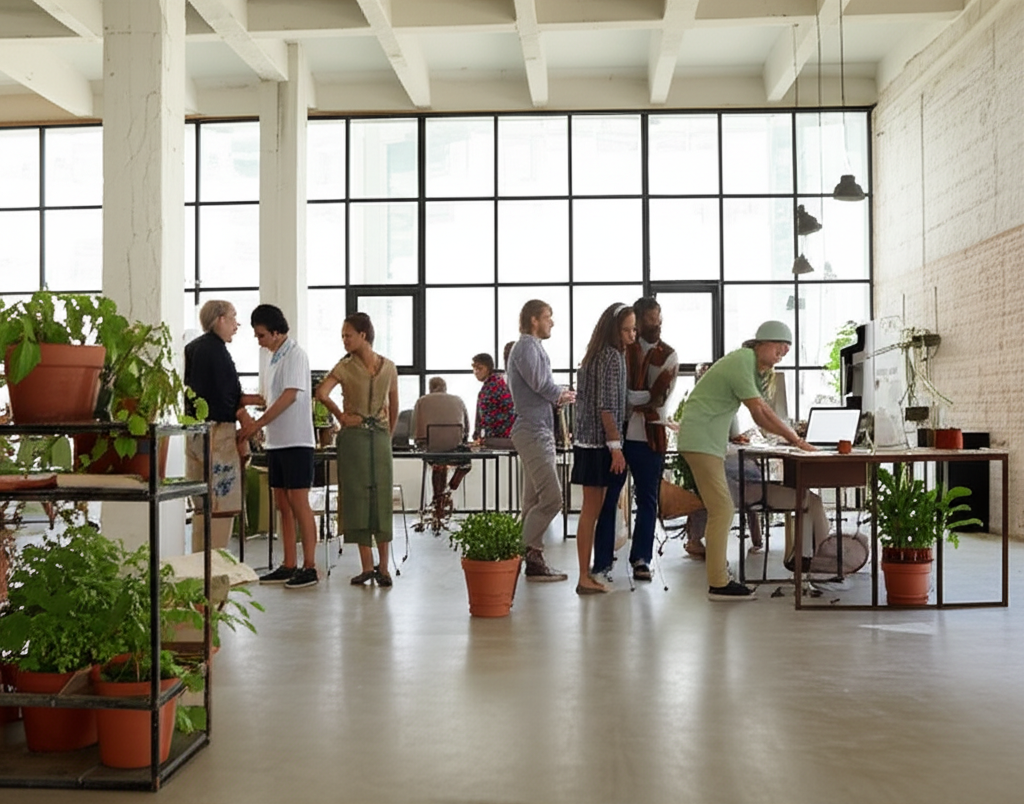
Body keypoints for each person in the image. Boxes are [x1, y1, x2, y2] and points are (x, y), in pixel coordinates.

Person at [677, 320, 814, 601]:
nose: (781, 354)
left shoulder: (751, 367)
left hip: (707, 442)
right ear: (761, 342)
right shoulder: (742, 360)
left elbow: (762, 412)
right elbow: (760, 413)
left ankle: (720, 576)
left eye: (785, 351)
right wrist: (797, 441)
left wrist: (790, 438)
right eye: (778, 347)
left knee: (721, 509)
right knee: (723, 509)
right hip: (701, 440)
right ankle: (718, 583)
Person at [592, 296, 677, 583]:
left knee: (648, 499)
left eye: (659, 320)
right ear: (636, 322)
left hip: (649, 436)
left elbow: (657, 399)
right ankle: (602, 561)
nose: (657, 326)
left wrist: (630, 399)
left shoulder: (668, 355)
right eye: (650, 321)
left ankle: (642, 558)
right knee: (608, 498)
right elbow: (620, 397)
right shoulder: (620, 352)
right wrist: (634, 399)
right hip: (616, 437)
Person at [314, 312, 399, 587]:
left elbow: (394, 401)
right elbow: (321, 392)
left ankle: (383, 567)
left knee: (381, 497)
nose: (344, 340)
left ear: (364, 335)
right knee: (357, 497)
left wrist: (390, 431)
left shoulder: (389, 367)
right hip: (353, 439)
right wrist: (340, 415)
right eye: (342, 336)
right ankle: (367, 566)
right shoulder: (345, 366)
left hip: (380, 438)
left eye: (348, 335)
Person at [237, 304, 319, 589]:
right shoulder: (273, 359)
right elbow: (269, 398)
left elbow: (288, 398)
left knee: (299, 503)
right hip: (277, 442)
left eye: (261, 335)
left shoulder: (295, 355)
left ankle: (309, 566)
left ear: (275, 332)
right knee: (282, 505)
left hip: (296, 441)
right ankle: (288, 563)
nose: (258, 340)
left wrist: (256, 425)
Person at [183, 300, 264, 553]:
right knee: (221, 503)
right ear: (219, 319)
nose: (236, 325)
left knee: (200, 504)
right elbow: (224, 393)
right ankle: (216, 567)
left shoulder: (192, 348)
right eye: (233, 318)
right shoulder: (216, 351)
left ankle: (200, 566)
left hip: (194, 430)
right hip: (218, 433)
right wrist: (244, 417)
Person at [506, 299, 576, 582]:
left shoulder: (531, 348)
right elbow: (541, 385)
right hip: (534, 431)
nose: (552, 322)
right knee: (553, 498)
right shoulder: (526, 347)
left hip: (539, 430)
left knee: (533, 499)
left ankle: (533, 559)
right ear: (534, 320)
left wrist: (559, 395)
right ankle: (515, 549)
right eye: (548, 317)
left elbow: (541, 388)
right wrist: (564, 393)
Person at [570, 303, 636, 594]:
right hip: (600, 444)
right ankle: (585, 576)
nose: (632, 335)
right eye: (627, 330)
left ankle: (586, 573)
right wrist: (616, 448)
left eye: (634, 329)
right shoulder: (611, 357)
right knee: (592, 511)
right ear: (614, 330)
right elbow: (607, 408)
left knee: (589, 511)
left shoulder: (592, 357)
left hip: (586, 441)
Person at [412, 376, 471, 522]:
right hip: (454, 447)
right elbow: (467, 427)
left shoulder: (422, 401)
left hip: (431, 448)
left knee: (438, 464)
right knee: (466, 462)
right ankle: (448, 491)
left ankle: (438, 501)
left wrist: (420, 442)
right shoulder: (458, 400)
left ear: (430, 388)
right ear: (445, 388)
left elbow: (415, 428)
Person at [471, 352, 515, 448]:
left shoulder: (491, 388)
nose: (476, 371)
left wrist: (479, 436)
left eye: (480, 368)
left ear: (488, 368)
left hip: (498, 435)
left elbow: (486, 417)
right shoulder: (500, 382)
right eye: (474, 368)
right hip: (509, 433)